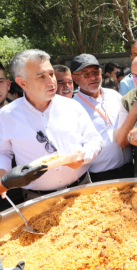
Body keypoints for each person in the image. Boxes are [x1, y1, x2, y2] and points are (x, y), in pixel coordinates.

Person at [0, 49, 103, 201]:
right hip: (38, 199)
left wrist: (83, 155)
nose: (51, 81)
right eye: (42, 76)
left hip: (82, 190)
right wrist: (5, 177)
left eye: (51, 74)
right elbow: (3, 152)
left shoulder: (72, 106)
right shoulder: (7, 115)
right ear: (22, 83)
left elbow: (95, 140)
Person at [71, 54, 133, 182]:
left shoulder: (114, 95)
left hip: (129, 169)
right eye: (86, 74)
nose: (93, 77)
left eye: (95, 72)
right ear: (75, 79)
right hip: (99, 176)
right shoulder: (73, 107)